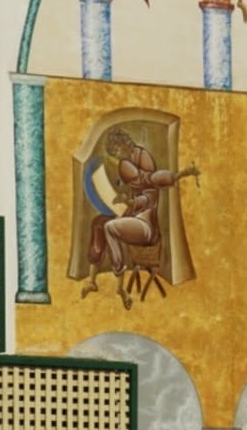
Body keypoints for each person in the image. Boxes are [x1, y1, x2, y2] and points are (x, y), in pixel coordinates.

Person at [82, 127, 198, 307]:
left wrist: (182, 174)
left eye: (118, 149)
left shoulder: (148, 180)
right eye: (115, 152)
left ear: (125, 144)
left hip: (146, 227)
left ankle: (119, 284)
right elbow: (134, 199)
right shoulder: (132, 175)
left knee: (109, 228)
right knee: (99, 223)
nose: (118, 154)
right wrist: (124, 201)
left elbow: (143, 200)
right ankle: (92, 280)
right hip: (134, 218)